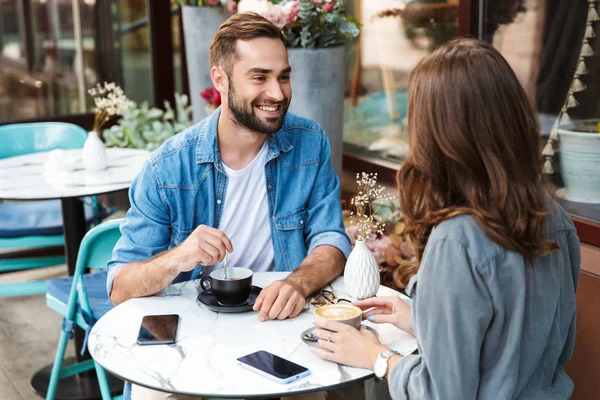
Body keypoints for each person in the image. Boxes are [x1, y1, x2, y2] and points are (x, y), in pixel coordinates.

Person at [313, 38, 581, 400]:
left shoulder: (457, 241)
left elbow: (443, 392)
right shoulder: (554, 219)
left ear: (436, 133)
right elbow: (521, 345)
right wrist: (421, 319)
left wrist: (376, 357)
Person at [106, 12, 351, 400]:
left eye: (283, 76)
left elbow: (332, 240)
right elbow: (120, 287)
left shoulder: (309, 143)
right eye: (260, 77)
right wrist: (178, 258)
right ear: (220, 80)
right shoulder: (168, 167)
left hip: (277, 326)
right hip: (191, 334)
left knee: (312, 391)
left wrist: (297, 283)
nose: (278, 92)